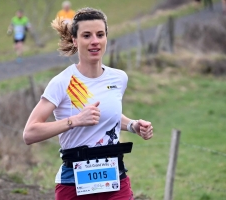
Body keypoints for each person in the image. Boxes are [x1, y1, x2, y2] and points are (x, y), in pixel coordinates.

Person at [23, 7, 153, 200]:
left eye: (100, 35)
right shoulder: (63, 82)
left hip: (115, 179)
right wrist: (75, 120)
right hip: (74, 183)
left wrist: (133, 125)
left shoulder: (118, 78)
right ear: (75, 40)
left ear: (106, 38)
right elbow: (29, 133)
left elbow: (109, 114)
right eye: (87, 35)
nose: (95, 41)